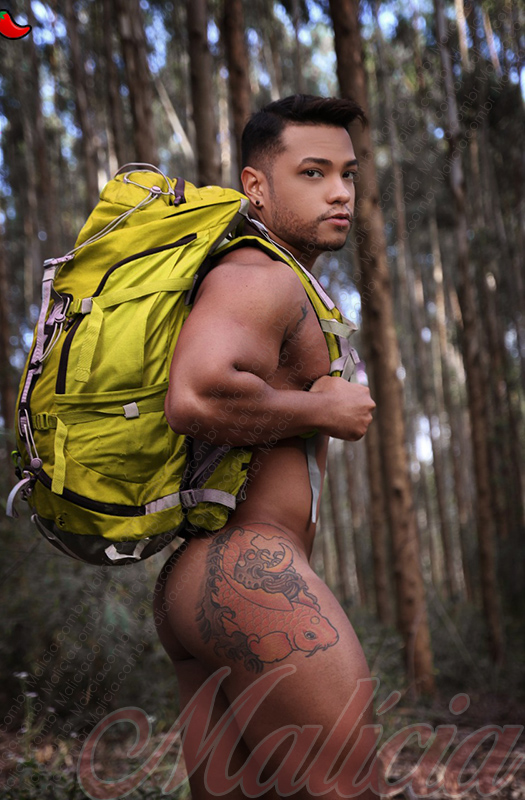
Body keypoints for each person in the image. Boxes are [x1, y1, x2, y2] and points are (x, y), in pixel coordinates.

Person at [154, 94, 378, 799]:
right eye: (313, 172)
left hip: (205, 579)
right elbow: (194, 396)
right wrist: (321, 408)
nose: (340, 191)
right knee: (348, 787)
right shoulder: (260, 275)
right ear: (255, 185)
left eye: (347, 173)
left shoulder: (280, 279)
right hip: (248, 571)